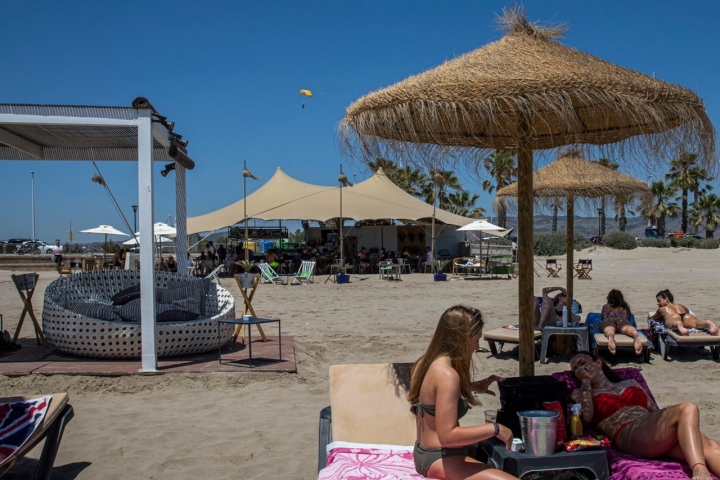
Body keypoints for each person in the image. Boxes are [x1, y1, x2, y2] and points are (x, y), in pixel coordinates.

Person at [570, 352, 720, 479]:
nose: (580, 369)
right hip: (627, 432)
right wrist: (585, 382)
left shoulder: (630, 382)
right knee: (688, 408)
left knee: (710, 446)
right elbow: (587, 417)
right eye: (575, 369)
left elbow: (654, 411)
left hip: (649, 429)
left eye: (583, 363)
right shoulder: (582, 392)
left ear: (598, 363)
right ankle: (699, 470)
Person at [408, 305, 515, 480]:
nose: (477, 346)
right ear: (462, 338)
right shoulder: (448, 375)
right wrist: (494, 429)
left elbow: (433, 394)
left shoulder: (425, 363)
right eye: (476, 340)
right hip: (440, 457)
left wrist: (473, 386)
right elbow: (448, 437)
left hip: (423, 452)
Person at [651, 289, 719, 336]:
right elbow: (688, 312)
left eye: (659, 301)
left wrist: (658, 311)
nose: (658, 303)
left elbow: (654, 317)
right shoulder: (680, 305)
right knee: (696, 324)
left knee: (674, 322)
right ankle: (707, 323)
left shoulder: (662, 309)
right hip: (686, 316)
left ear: (666, 299)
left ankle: (679, 325)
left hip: (673, 316)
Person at [600, 289, 643, 355]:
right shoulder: (625, 307)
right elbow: (628, 317)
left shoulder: (606, 306)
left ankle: (610, 333)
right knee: (626, 327)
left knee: (608, 326)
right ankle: (634, 333)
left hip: (609, 319)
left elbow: (604, 317)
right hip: (622, 319)